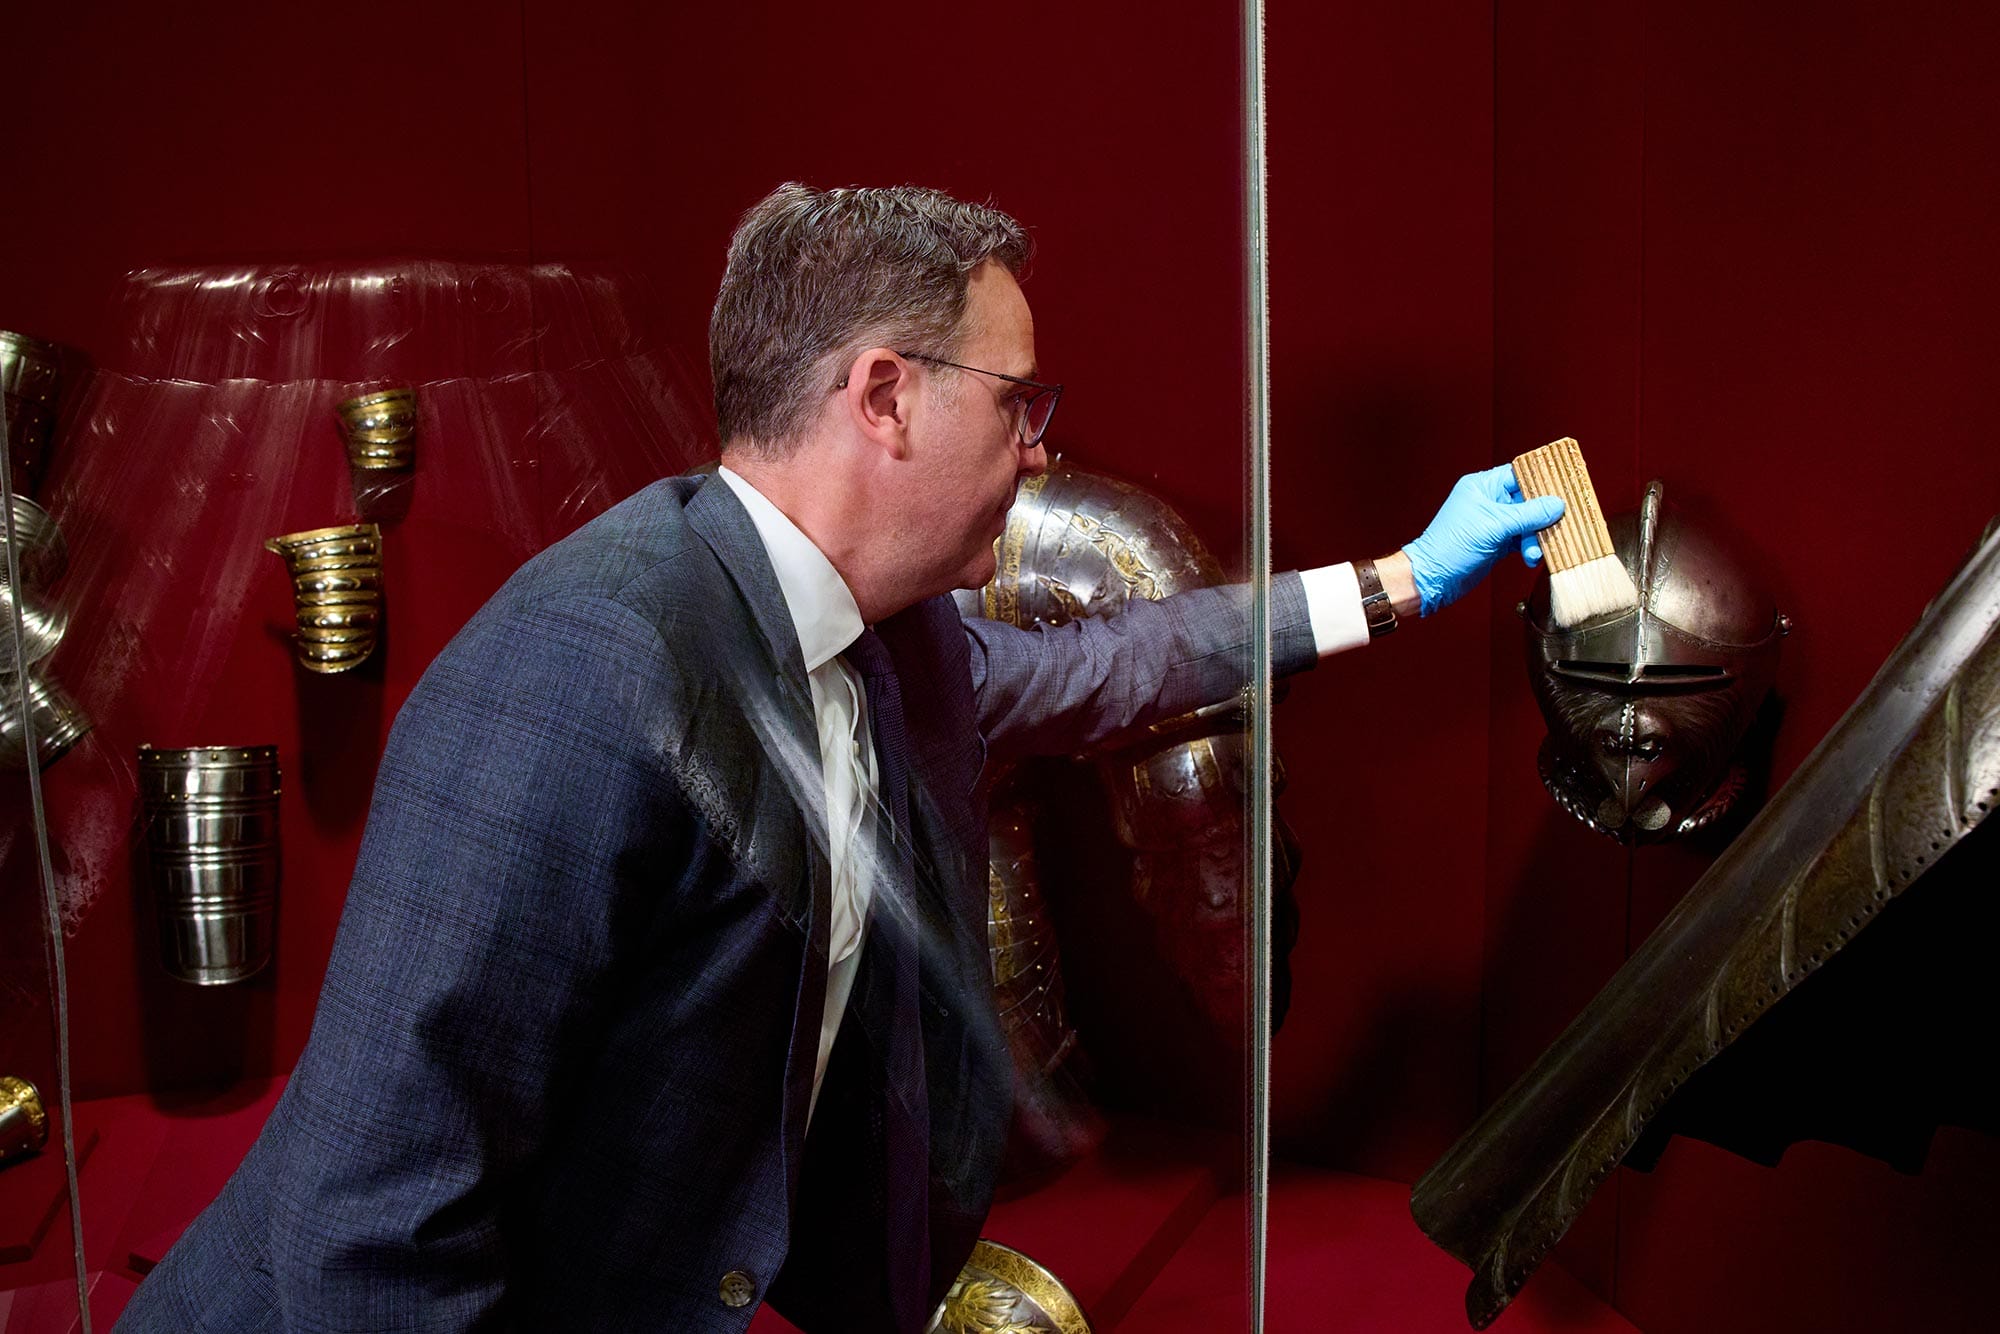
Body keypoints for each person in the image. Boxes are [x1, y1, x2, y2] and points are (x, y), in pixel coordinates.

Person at [117, 183, 1561, 1332]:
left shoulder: (896, 637)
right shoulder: (582, 665)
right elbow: (372, 1230)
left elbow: (1120, 659)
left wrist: (1406, 577)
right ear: (883, 396)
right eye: (1020, 403)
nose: (1042, 451)